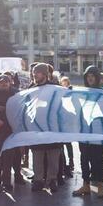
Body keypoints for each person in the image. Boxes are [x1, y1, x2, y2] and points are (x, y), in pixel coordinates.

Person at [72, 66, 103, 198]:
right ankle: (86, 185)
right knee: (84, 158)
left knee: (97, 159)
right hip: (84, 131)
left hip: (97, 132)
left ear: (97, 77)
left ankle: (100, 186)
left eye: (92, 75)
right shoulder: (82, 92)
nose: (90, 78)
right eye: (88, 76)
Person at [29, 63, 62, 192]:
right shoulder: (31, 88)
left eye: (37, 73)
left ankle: (52, 180)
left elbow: (60, 105)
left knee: (53, 155)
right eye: (34, 73)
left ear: (44, 74)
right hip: (37, 128)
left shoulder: (54, 88)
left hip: (52, 127)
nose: (34, 75)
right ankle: (38, 180)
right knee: (37, 155)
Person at [0, 74, 19, 191]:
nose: (3, 84)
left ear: (10, 83)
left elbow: (16, 110)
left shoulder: (15, 94)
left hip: (10, 130)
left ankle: (7, 181)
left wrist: (3, 109)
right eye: (1, 82)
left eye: (5, 82)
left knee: (8, 157)